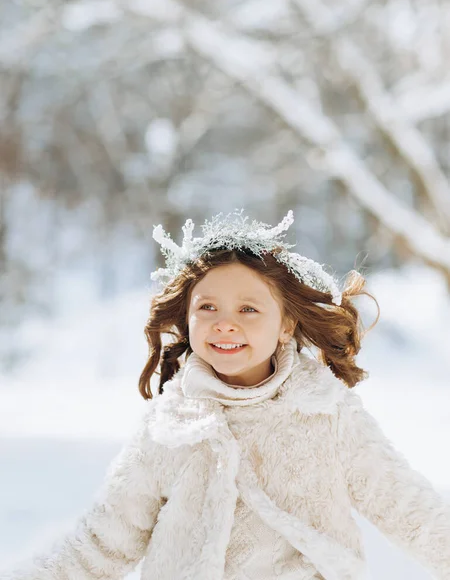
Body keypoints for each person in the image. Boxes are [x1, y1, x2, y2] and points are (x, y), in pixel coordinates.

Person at [2, 209, 450, 580]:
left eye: (248, 309)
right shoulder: (171, 426)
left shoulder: (326, 412)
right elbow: (102, 543)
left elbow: (408, 508)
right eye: (207, 307)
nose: (225, 322)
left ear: (286, 325)